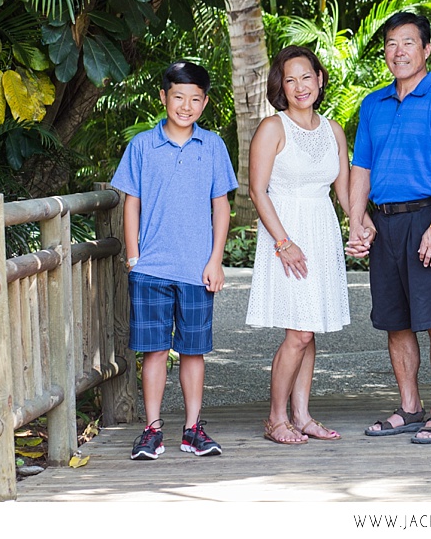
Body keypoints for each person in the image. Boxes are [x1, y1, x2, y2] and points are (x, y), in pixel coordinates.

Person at [345, 12, 431, 444]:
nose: (399, 51)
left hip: (425, 218)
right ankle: (411, 407)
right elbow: (361, 167)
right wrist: (358, 220)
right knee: (395, 322)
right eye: (392, 43)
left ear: (427, 50)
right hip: (384, 223)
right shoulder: (372, 104)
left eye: (408, 43)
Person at [112, 60, 238, 460]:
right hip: (150, 268)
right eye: (178, 97)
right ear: (164, 97)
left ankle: (192, 429)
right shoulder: (143, 146)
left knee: (193, 351)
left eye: (195, 99)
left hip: (196, 269)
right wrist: (134, 256)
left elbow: (222, 208)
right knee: (152, 351)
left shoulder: (213, 146)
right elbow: (131, 204)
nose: (186, 105)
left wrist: (215, 260)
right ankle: (151, 430)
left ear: (204, 102)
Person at [245, 46, 368, 444]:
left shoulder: (333, 130)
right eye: (290, 78)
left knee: (309, 329)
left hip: (321, 230)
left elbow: (345, 189)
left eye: (306, 76)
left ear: (320, 78)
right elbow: (257, 191)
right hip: (287, 233)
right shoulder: (273, 128)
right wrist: (283, 242)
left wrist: (359, 226)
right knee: (297, 333)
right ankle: (276, 418)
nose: (300, 86)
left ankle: (302, 415)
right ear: (280, 85)